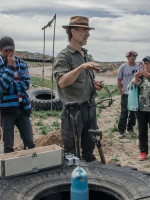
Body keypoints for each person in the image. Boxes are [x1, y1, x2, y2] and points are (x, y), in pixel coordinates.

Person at [54, 16, 103, 162]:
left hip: (90, 107)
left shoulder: (86, 55)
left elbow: (83, 80)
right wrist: (81, 67)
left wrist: (94, 85)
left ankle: (90, 180)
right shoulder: (64, 56)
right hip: (73, 111)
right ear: (73, 32)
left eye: (88, 30)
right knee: (72, 153)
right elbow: (62, 82)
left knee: (89, 148)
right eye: (84, 31)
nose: (88, 34)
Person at [0, 36, 35, 153]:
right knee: (8, 145)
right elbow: (1, 87)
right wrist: (10, 67)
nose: (9, 53)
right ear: (0, 51)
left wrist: (8, 86)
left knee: (29, 141)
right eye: (6, 51)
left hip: (22, 108)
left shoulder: (22, 64)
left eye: (11, 50)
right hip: (6, 110)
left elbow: (25, 85)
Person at [117, 51, 139, 138]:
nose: (132, 57)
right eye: (130, 56)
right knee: (124, 113)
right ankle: (121, 131)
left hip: (135, 93)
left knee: (133, 112)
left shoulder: (138, 67)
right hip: (126, 93)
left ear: (136, 57)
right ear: (127, 57)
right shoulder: (123, 67)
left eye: (134, 56)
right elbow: (119, 79)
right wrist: (121, 91)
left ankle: (130, 128)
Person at [132, 56, 150, 161]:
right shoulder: (142, 76)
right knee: (142, 132)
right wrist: (136, 77)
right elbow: (133, 85)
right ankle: (143, 152)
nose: (146, 66)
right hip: (141, 109)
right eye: (145, 64)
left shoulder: (147, 76)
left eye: (148, 64)